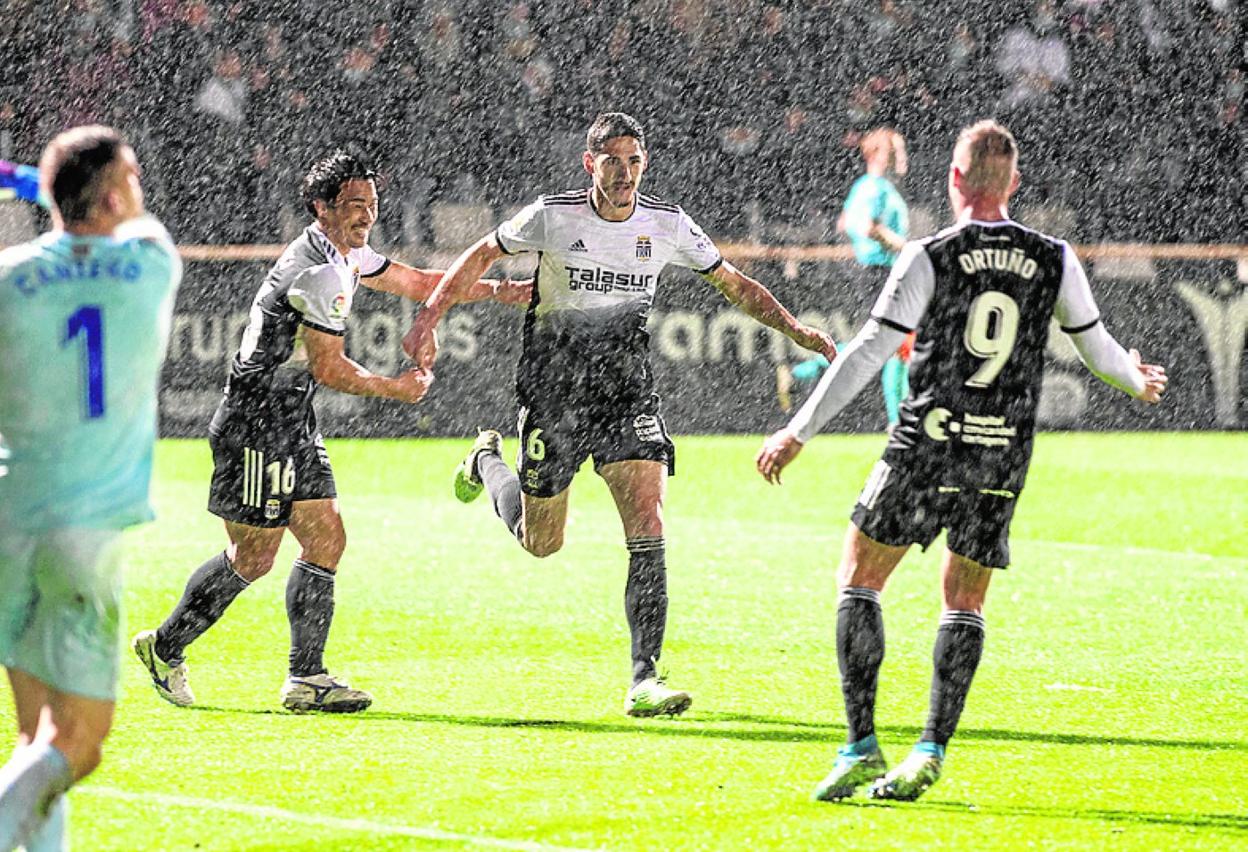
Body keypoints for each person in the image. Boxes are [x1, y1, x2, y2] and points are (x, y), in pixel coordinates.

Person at [756, 120, 1167, 801]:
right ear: (1014, 183)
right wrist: (1137, 381)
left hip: (928, 441)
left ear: (953, 181)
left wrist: (798, 431)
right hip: (1000, 453)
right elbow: (1098, 352)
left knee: (860, 575)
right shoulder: (1053, 256)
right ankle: (930, 748)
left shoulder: (931, 254)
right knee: (965, 597)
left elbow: (867, 352)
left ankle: (861, 744)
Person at [403, 112, 837, 717]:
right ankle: (486, 459)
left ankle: (644, 678)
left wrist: (793, 328)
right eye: (613, 161)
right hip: (554, 395)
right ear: (590, 163)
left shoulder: (666, 223)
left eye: (634, 161)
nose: (625, 173)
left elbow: (732, 283)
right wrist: (428, 316)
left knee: (648, 519)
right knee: (541, 542)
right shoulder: (553, 214)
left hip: (625, 394)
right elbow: (479, 254)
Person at [132, 151, 530, 714]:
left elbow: (417, 282)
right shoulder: (318, 272)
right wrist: (398, 388)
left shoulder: (344, 252)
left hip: (290, 416)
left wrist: (501, 291)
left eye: (371, 204)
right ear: (321, 208)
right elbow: (330, 367)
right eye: (353, 205)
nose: (366, 215)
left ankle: (307, 679)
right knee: (252, 556)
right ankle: (164, 648)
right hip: (256, 422)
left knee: (326, 540)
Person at [0, 125, 181, 850]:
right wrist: (39, 186)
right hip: (86, 529)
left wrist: (41, 196)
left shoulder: (9, 278)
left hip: (11, 517)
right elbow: (138, 225)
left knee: (32, 734)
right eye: (132, 176)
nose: (141, 187)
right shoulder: (151, 265)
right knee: (81, 740)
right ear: (112, 196)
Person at [777, 128, 913, 430]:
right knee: (893, 343)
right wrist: (908, 249)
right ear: (877, 155)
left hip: (879, 271)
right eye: (896, 151)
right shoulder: (873, 187)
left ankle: (802, 371)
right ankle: (897, 422)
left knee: (881, 343)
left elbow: (845, 221)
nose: (902, 157)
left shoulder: (874, 189)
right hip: (878, 271)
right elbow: (866, 226)